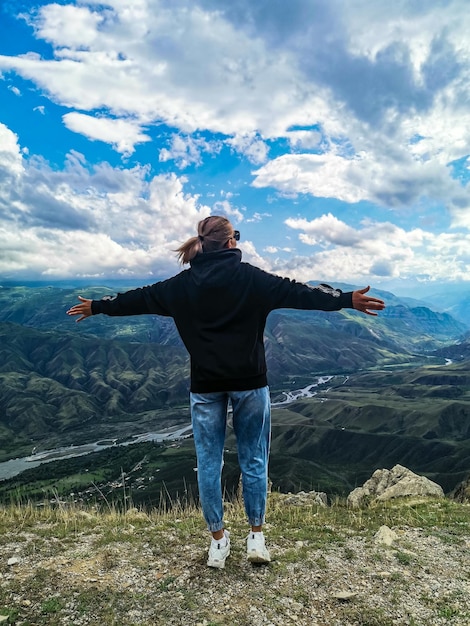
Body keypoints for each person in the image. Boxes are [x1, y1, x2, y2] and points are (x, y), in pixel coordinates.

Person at [67, 215, 385, 569]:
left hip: (205, 386)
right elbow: (301, 292)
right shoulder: (252, 279)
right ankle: (256, 538)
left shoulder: (179, 287)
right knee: (254, 460)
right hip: (250, 383)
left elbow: (136, 299)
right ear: (232, 241)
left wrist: (97, 306)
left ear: (202, 243)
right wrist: (344, 299)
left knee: (208, 464)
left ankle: (218, 541)